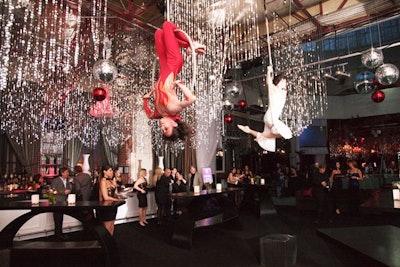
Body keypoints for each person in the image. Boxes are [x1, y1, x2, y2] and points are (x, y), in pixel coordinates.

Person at [143, 21, 205, 141]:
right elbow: (191, 99)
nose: (162, 127)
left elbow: (149, 115)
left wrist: (145, 100)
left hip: (164, 65)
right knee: (166, 25)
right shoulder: (173, 109)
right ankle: (192, 43)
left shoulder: (159, 113)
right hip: (173, 64)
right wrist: (179, 84)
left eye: (162, 130)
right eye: (166, 129)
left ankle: (188, 46)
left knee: (159, 33)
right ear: (174, 124)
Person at [237, 65, 292, 152]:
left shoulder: (282, 91)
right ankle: (260, 135)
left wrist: (270, 72)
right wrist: (268, 71)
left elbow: (272, 84)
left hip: (270, 118)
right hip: (271, 118)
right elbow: (269, 82)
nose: (285, 83)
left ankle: (249, 130)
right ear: (277, 83)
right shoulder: (275, 90)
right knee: (284, 134)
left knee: (270, 135)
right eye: (283, 81)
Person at [97, 164, 121, 235]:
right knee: (107, 227)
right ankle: (106, 244)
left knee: (112, 225)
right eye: (110, 170)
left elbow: (116, 193)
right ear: (104, 171)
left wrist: (114, 182)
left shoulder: (111, 180)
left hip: (112, 205)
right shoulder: (103, 181)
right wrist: (117, 200)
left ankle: (110, 242)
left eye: (112, 170)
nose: (112, 172)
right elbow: (106, 197)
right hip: (106, 206)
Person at [51, 167, 73, 240]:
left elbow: (70, 188)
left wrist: (70, 189)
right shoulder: (55, 181)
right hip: (57, 201)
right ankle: (58, 234)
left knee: (61, 218)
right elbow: (53, 191)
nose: (68, 174)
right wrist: (63, 192)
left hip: (64, 201)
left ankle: (60, 233)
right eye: (66, 172)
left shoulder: (68, 180)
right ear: (62, 173)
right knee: (57, 218)